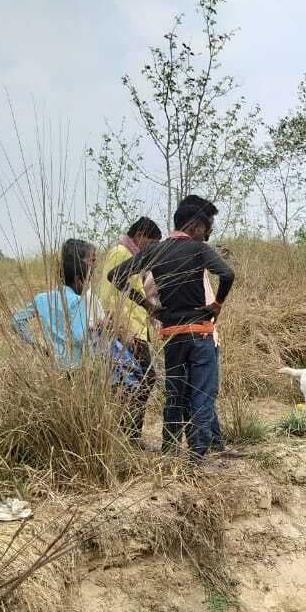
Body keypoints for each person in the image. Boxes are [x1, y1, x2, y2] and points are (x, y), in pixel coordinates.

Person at [109, 195, 234, 462]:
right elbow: (228, 274)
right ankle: (198, 456)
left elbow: (115, 276)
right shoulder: (199, 250)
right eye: (208, 226)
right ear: (196, 226)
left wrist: (147, 305)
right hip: (200, 333)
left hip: (171, 336)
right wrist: (218, 304)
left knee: (175, 394)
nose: (210, 233)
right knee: (202, 394)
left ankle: (169, 452)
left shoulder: (155, 251)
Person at [98, 216, 162, 442]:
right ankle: (129, 436)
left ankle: (129, 436)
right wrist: (123, 332)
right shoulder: (120, 253)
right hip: (128, 332)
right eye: (151, 243)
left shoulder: (133, 256)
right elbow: (109, 297)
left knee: (138, 381)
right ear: (140, 235)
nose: (152, 248)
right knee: (142, 380)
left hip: (137, 330)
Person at [12, 238, 103, 367]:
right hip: (76, 368)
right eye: (86, 281)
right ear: (78, 280)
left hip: (52, 367)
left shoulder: (41, 298)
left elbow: (17, 322)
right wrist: (95, 328)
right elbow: (79, 338)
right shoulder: (77, 301)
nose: (86, 286)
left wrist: (38, 346)